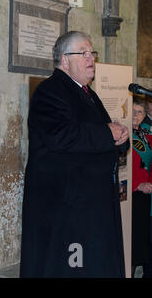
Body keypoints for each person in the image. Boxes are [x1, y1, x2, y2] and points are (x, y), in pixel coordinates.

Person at [20, 31, 130, 277]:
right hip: (66, 207)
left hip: (90, 203)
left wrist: (120, 139)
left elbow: (99, 133)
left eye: (92, 53)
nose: (91, 58)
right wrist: (107, 134)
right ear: (64, 60)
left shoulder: (86, 93)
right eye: (84, 53)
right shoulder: (50, 91)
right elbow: (61, 136)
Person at [131, 97, 152, 277]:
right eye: (134, 111)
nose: (136, 115)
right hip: (133, 196)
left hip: (146, 196)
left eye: (140, 112)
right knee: (133, 245)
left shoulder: (144, 134)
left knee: (143, 244)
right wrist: (137, 185)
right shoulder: (123, 135)